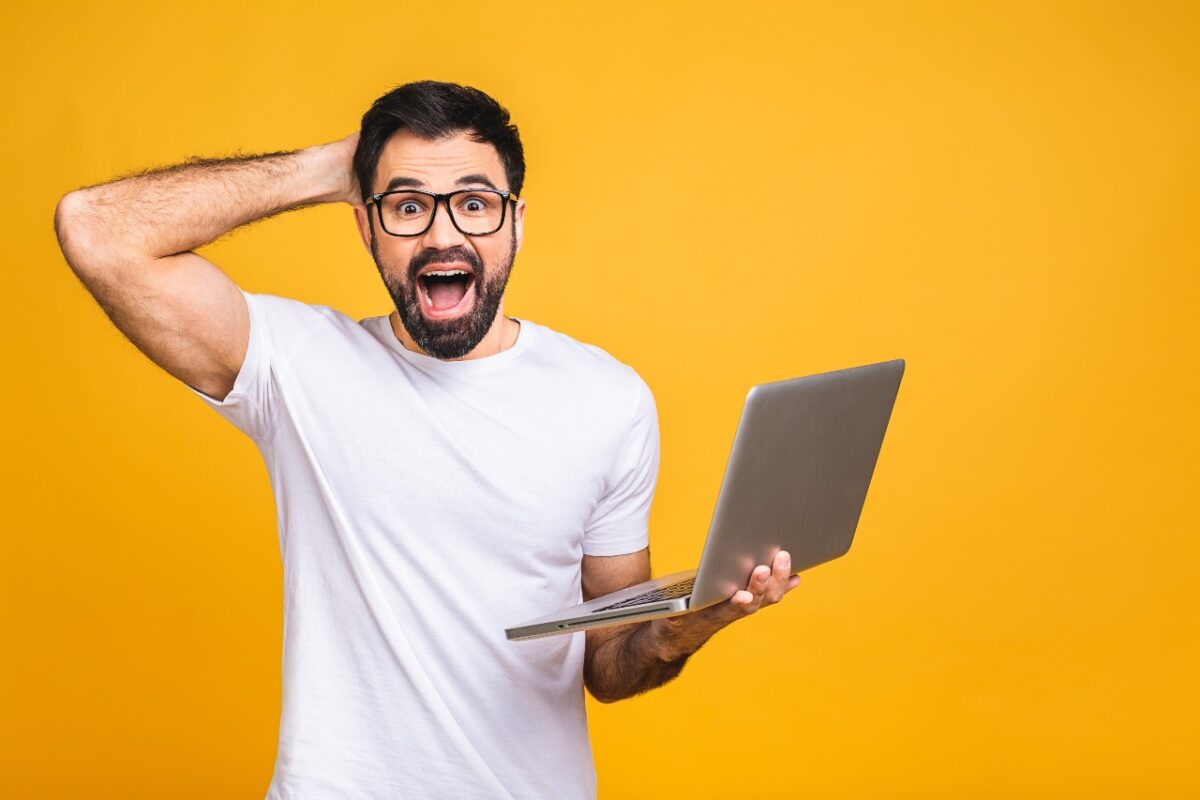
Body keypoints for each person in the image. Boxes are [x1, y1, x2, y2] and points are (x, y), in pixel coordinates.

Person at [53, 80, 800, 799]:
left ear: (515, 221)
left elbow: (610, 658)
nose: (444, 235)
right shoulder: (296, 364)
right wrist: (329, 168)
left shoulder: (609, 400)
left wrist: (688, 626)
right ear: (365, 222)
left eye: (475, 204)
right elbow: (95, 227)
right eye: (408, 206)